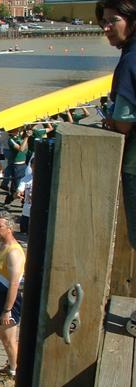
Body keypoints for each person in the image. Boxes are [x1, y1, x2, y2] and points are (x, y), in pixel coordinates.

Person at [96, 0, 136, 249]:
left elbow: (123, 121)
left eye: (113, 21)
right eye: (104, 21)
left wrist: (111, 119)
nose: (106, 28)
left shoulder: (130, 60)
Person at [0, 211, 26, 387]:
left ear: (9, 228)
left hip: (8, 300)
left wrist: (7, 309)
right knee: (1, 334)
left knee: (10, 339)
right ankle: (12, 363)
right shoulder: (1, 246)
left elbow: (14, 284)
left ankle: (14, 373)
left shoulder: (14, 252)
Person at [4, 128, 30, 205]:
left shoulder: (19, 137)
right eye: (17, 129)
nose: (19, 130)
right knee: (18, 186)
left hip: (24, 164)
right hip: (17, 166)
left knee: (25, 184)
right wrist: (27, 137)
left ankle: (23, 201)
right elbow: (21, 149)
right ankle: (9, 199)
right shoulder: (11, 140)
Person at [16, 165, 33, 234]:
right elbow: (19, 189)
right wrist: (18, 193)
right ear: (31, 166)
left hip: (40, 211)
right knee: (23, 231)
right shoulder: (25, 179)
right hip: (27, 211)